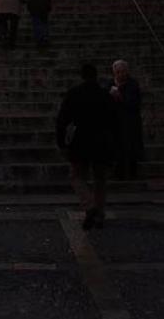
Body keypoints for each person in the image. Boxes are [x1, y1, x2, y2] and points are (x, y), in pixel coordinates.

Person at [56, 63, 117, 230]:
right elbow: (114, 120)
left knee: (76, 176)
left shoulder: (74, 93)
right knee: (100, 180)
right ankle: (99, 213)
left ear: (82, 76)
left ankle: (90, 206)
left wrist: (61, 142)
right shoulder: (105, 94)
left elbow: (62, 120)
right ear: (96, 75)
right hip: (102, 141)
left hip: (81, 140)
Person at [110, 60, 143, 180]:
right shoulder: (110, 84)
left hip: (130, 120)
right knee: (118, 147)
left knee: (131, 146)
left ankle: (132, 172)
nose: (120, 74)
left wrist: (120, 98)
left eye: (122, 71)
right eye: (118, 72)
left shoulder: (132, 84)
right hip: (116, 121)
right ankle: (118, 172)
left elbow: (134, 103)